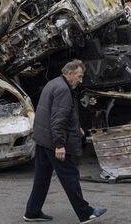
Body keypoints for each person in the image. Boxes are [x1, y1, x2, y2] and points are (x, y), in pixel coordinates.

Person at [24, 60, 107, 223]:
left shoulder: (53, 83)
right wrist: (60, 145)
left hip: (42, 139)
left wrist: (76, 128)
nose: (81, 80)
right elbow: (58, 120)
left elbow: (57, 114)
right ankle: (85, 213)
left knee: (41, 178)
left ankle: (32, 212)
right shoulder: (63, 90)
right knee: (70, 176)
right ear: (69, 74)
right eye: (79, 76)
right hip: (53, 142)